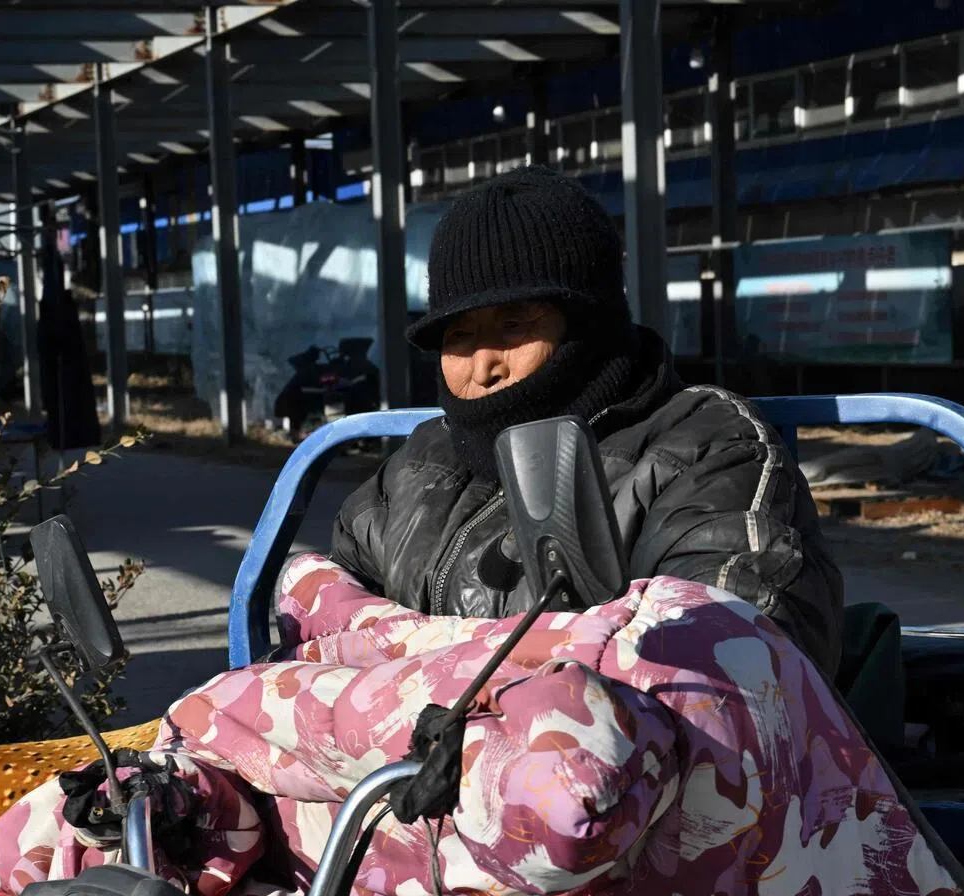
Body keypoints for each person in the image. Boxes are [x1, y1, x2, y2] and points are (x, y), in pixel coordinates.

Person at [332, 166, 844, 675]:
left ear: (589, 328)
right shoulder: (422, 462)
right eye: (459, 336)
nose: (483, 366)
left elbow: (725, 662)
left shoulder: (709, 450)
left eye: (514, 325)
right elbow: (329, 609)